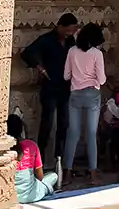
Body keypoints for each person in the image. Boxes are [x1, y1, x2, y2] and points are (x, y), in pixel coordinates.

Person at [20, 12, 79, 167]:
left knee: (64, 124)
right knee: (47, 123)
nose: (69, 34)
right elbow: (27, 53)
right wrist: (40, 68)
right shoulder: (46, 40)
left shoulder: (70, 41)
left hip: (65, 88)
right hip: (50, 86)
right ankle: (40, 161)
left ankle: (59, 160)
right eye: (68, 30)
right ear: (60, 26)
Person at [63, 22, 107, 184]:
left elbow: (66, 76)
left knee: (72, 133)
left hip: (75, 94)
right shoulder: (97, 54)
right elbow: (101, 79)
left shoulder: (72, 51)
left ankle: (67, 172)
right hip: (92, 94)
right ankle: (93, 172)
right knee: (90, 134)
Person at [7, 114, 59, 203]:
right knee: (53, 176)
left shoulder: (4, 148)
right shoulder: (31, 145)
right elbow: (40, 177)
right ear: (21, 129)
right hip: (31, 195)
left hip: (10, 196)